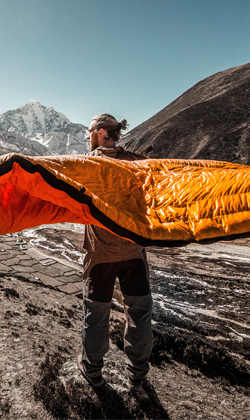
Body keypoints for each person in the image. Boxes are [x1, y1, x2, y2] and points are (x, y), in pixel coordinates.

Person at [77, 113, 154, 397]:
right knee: (140, 315)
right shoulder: (137, 163)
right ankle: (137, 379)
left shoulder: (86, 165)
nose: (87, 138)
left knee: (96, 316)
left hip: (100, 258)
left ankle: (93, 372)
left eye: (89, 133)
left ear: (99, 133)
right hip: (134, 254)